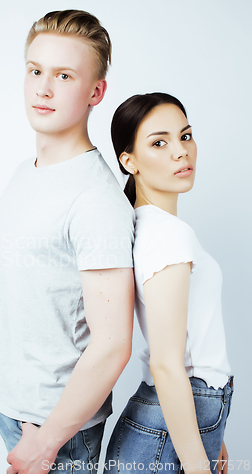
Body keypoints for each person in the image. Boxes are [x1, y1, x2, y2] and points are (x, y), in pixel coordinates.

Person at [0, 10, 136, 474]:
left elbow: (112, 344)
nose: (43, 88)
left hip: (57, 428)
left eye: (63, 75)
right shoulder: (24, 173)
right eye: (35, 71)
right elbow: (20, 289)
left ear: (95, 92)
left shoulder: (95, 199)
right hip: (14, 407)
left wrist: (47, 442)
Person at [104, 92, 233, 474]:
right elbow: (165, 363)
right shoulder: (168, 235)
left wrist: (211, 429)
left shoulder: (147, 226)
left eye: (186, 136)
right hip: (164, 427)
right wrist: (197, 465)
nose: (181, 151)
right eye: (159, 142)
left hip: (172, 419)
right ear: (129, 161)